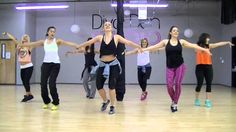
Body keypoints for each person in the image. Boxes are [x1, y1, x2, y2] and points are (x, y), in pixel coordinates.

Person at [76, 21, 141, 114]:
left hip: (113, 65)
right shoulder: (99, 37)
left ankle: (112, 106)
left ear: (111, 28)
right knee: (99, 85)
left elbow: (128, 42)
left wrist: (138, 46)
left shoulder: (116, 37)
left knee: (111, 86)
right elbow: (89, 42)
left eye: (109, 25)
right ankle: (106, 101)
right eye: (105, 25)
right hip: (102, 64)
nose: (107, 26)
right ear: (103, 28)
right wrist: (79, 46)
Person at [143, 26, 211, 112]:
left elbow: (192, 45)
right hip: (169, 67)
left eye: (177, 31)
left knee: (178, 84)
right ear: (170, 33)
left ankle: (175, 103)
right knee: (169, 86)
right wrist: (144, 49)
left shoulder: (181, 41)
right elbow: (155, 47)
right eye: (174, 30)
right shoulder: (165, 41)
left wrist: (205, 50)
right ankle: (174, 100)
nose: (176, 32)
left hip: (180, 66)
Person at [18, 26, 78, 111]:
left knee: (52, 84)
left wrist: (77, 45)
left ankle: (56, 102)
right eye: (51, 31)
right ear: (48, 32)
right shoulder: (44, 42)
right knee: (42, 84)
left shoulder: (57, 41)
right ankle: (46, 101)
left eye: (54, 31)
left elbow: (68, 43)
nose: (53, 33)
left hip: (55, 65)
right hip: (45, 65)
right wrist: (21, 44)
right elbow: (32, 44)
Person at [194, 33, 234, 108]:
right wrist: (205, 50)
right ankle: (196, 99)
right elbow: (196, 49)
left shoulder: (209, 46)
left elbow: (218, 44)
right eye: (208, 38)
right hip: (199, 67)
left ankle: (207, 101)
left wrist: (227, 42)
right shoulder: (196, 46)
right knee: (199, 84)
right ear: (204, 38)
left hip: (208, 67)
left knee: (209, 84)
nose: (209, 39)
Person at [4, 32, 34, 102]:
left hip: (29, 67)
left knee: (26, 81)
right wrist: (7, 34)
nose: (25, 39)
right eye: (24, 38)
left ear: (28, 40)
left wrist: (27, 42)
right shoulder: (19, 46)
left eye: (26, 38)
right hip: (22, 67)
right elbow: (13, 39)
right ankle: (30, 94)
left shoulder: (29, 47)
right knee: (24, 82)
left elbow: (34, 44)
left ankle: (27, 95)